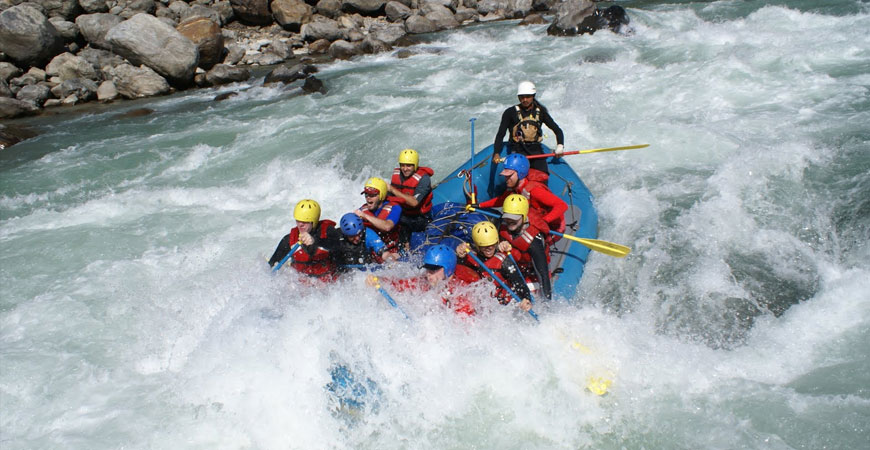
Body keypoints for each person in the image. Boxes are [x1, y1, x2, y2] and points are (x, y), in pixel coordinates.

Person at [366, 244, 478, 315]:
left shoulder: (460, 292)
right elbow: (399, 285)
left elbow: (465, 327)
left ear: (448, 269)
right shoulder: (425, 281)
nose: (429, 274)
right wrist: (379, 279)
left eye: (434, 269)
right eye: (427, 268)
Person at [479, 153, 567, 241]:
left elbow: (562, 205)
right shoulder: (514, 188)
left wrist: (545, 221)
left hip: (553, 227)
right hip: (535, 219)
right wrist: (480, 205)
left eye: (509, 176)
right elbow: (502, 200)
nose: (506, 179)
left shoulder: (534, 190)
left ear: (520, 174)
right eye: (505, 176)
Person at [455, 221, 533, 312]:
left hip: (503, 306)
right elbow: (458, 272)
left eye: (492, 244)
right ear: (477, 245)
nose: (489, 248)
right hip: (481, 304)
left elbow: (519, 283)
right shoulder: (470, 256)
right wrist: (459, 255)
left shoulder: (503, 261)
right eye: (484, 246)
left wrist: (526, 299)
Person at [492, 80, 565, 175]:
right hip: (517, 150)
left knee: (542, 176)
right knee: (515, 178)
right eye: (522, 97)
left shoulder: (541, 112)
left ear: (533, 96)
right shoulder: (510, 112)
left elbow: (557, 130)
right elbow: (500, 134)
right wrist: (496, 153)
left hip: (536, 150)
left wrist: (560, 146)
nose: (525, 100)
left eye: (528, 96)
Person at [268, 199, 342, 281]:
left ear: (313, 221)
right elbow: (271, 265)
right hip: (301, 285)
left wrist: (315, 241)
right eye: (298, 220)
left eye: (305, 221)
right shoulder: (289, 239)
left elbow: (337, 246)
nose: (300, 225)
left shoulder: (328, 232)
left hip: (328, 283)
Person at [496, 194, 553, 300]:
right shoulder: (502, 225)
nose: (510, 221)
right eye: (507, 217)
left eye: (514, 218)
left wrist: (547, 302)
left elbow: (543, 274)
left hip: (531, 274)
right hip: (512, 270)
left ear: (523, 217)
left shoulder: (533, 241)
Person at [385, 148, 434, 249]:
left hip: (420, 218)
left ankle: (408, 245)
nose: (405, 169)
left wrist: (392, 190)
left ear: (415, 165)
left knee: (406, 228)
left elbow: (414, 202)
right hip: (403, 214)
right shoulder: (397, 175)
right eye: (402, 165)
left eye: (409, 165)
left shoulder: (424, 179)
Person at [355, 177, 402, 256]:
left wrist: (365, 216)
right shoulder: (362, 209)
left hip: (392, 250)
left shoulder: (395, 208)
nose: (368, 197)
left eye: (372, 195)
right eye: (366, 194)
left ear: (381, 196)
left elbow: (387, 226)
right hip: (371, 252)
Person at [333, 212, 398, 269]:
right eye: (352, 236)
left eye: (359, 234)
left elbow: (384, 253)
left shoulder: (368, 234)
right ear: (345, 234)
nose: (357, 238)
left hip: (364, 270)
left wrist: (392, 262)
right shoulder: (336, 237)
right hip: (341, 270)